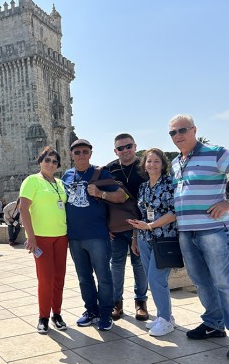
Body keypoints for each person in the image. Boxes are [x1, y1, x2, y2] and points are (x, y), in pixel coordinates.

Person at [169, 114, 229, 361]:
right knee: (201, 281)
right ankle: (213, 324)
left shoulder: (214, 152)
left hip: (212, 231)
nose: (178, 136)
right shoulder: (177, 162)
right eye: (173, 133)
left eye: (182, 130)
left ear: (194, 130)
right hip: (187, 232)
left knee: (226, 283)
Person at [62, 139, 128, 331]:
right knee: (84, 277)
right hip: (74, 237)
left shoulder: (100, 173)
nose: (81, 155)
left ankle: (106, 313)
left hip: (97, 236)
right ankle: (91, 311)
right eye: (77, 152)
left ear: (90, 154)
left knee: (103, 276)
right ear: (71, 155)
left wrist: (101, 193)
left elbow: (121, 196)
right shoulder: (66, 176)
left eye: (85, 152)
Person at [127, 148, 178, 337]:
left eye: (156, 161)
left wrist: (150, 225)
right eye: (149, 161)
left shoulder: (170, 183)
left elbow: (174, 213)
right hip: (144, 239)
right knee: (152, 279)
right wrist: (135, 235)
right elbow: (140, 214)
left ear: (163, 164)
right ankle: (164, 317)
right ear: (144, 165)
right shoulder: (143, 187)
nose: (152, 164)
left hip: (164, 238)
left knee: (157, 279)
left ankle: (165, 319)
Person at [20, 146, 68, 334]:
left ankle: (57, 314)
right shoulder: (32, 181)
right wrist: (30, 236)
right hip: (41, 238)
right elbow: (24, 209)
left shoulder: (60, 183)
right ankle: (43, 317)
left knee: (59, 278)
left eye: (54, 161)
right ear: (40, 161)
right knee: (45, 279)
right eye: (47, 160)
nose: (50, 164)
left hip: (61, 236)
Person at [106, 133, 149, 321]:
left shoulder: (145, 166)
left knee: (139, 265)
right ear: (115, 151)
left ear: (135, 146)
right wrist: (105, 226)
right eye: (121, 148)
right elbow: (102, 200)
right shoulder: (109, 170)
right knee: (116, 265)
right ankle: (117, 303)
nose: (125, 150)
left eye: (128, 146)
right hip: (116, 227)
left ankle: (141, 303)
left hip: (140, 227)